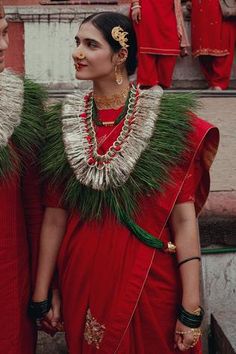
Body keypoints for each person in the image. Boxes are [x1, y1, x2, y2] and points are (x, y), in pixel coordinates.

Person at [30, 12, 219, 354]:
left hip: (149, 276)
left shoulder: (165, 121)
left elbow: (183, 218)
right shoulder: (64, 124)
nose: (78, 53)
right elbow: (54, 216)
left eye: (91, 45)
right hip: (83, 277)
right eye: (77, 43)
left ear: (120, 55)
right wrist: (42, 293)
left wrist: (191, 307)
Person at [0, 2, 45, 353]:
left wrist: (44, 287)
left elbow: (34, 205)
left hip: (9, 274)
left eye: (3, 33)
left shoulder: (22, 104)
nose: (3, 46)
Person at [130, 0, 189, 88]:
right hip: (147, 6)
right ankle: (147, 84)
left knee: (170, 45)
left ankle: (162, 84)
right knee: (147, 44)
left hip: (169, 8)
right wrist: (135, 5)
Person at [188, 0, 236, 90]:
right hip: (200, 9)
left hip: (222, 9)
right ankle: (212, 82)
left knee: (223, 45)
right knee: (202, 47)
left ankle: (219, 83)